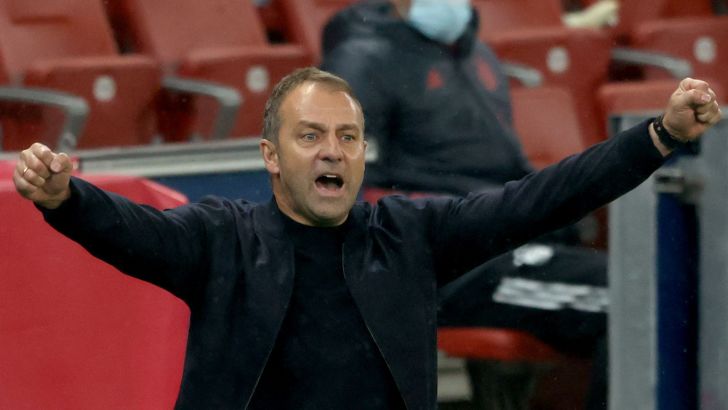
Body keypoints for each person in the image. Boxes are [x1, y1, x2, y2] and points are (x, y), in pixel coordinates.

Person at [13, 66, 720, 409]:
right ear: (270, 155)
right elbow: (129, 230)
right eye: (311, 136)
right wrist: (65, 199)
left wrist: (657, 138)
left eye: (347, 137)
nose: (333, 151)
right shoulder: (221, 239)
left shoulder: (411, 236)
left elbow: (537, 200)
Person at [317, 1, 712, 407]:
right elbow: (354, 196)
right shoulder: (361, 60)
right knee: (637, 305)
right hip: (449, 264)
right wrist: (457, 227)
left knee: (659, 288)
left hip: (511, 241)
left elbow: (511, 172)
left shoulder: (477, 53)